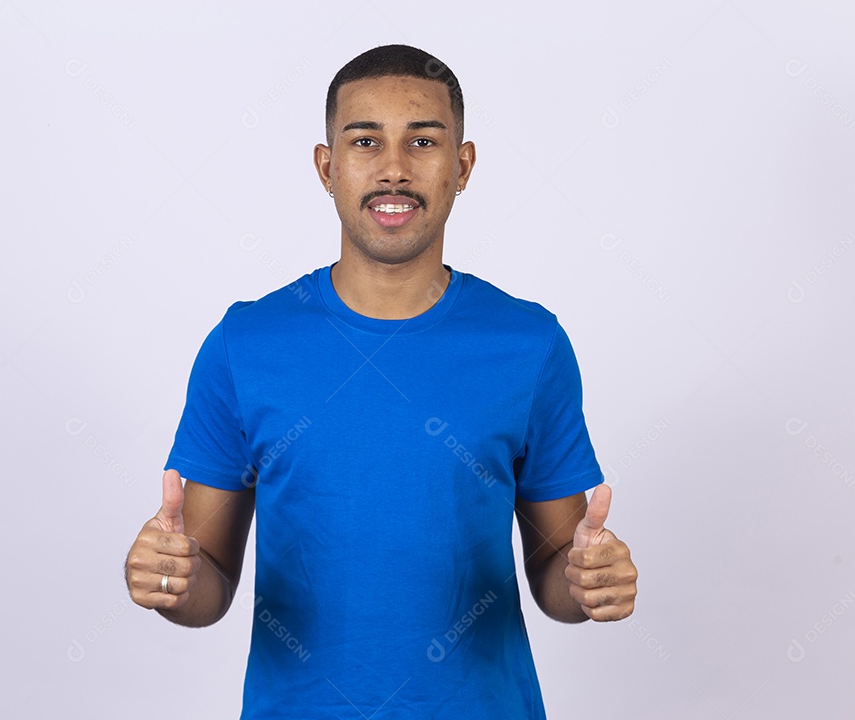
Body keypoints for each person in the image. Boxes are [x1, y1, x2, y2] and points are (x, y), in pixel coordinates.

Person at [125, 43, 638, 719]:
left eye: (422, 141)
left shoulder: (528, 343)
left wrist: (589, 583)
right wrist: (169, 577)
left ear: (462, 166)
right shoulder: (245, 344)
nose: (394, 170)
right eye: (366, 141)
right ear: (327, 166)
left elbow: (556, 578)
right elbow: (208, 587)